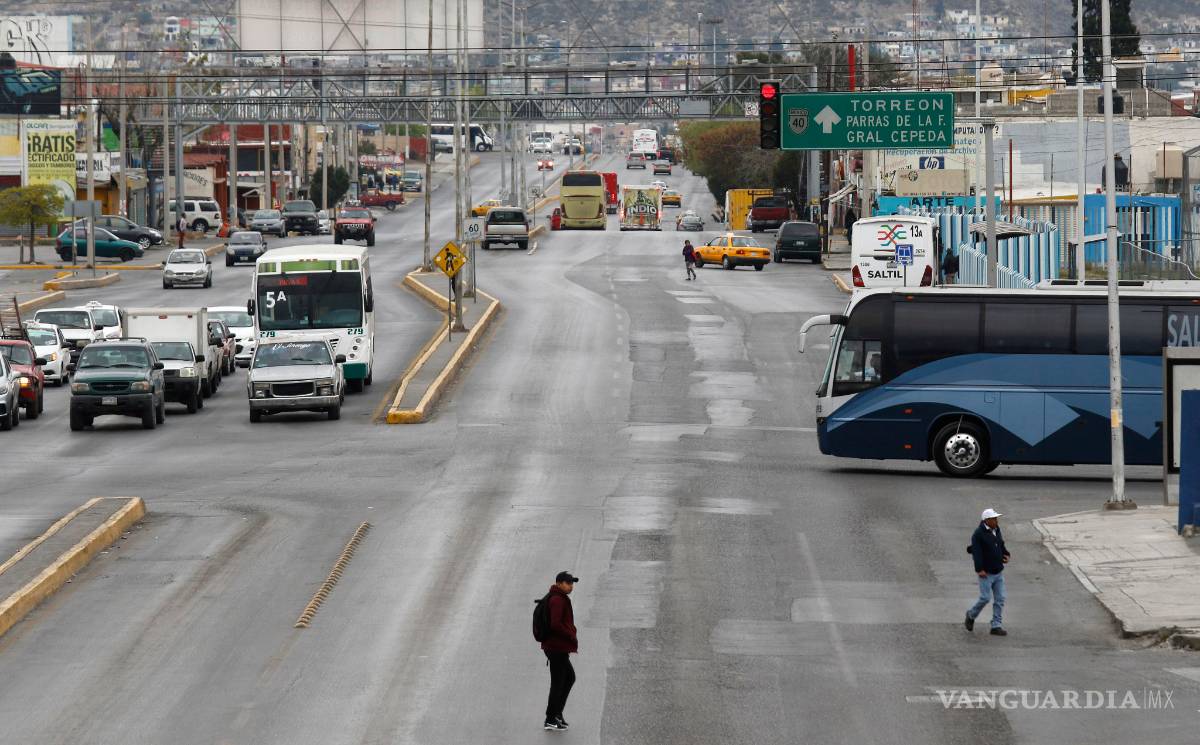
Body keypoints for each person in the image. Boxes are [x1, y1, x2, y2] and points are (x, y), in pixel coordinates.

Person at [541, 571, 579, 731]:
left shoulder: (559, 598)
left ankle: (557, 714)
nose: (571, 586)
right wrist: (570, 635)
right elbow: (555, 624)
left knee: (569, 678)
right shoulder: (557, 600)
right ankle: (550, 718)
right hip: (555, 647)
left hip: (557, 647)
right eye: (568, 583)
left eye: (572, 583)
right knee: (558, 682)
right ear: (559, 583)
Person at [965, 508, 1010, 636]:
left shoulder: (996, 529)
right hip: (986, 573)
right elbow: (977, 552)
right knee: (985, 598)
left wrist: (1006, 554)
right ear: (987, 520)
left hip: (998, 571)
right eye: (994, 519)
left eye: (996, 518)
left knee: (1000, 599)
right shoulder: (978, 534)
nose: (996, 521)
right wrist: (979, 569)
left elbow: (1000, 544)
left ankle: (996, 625)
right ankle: (971, 615)